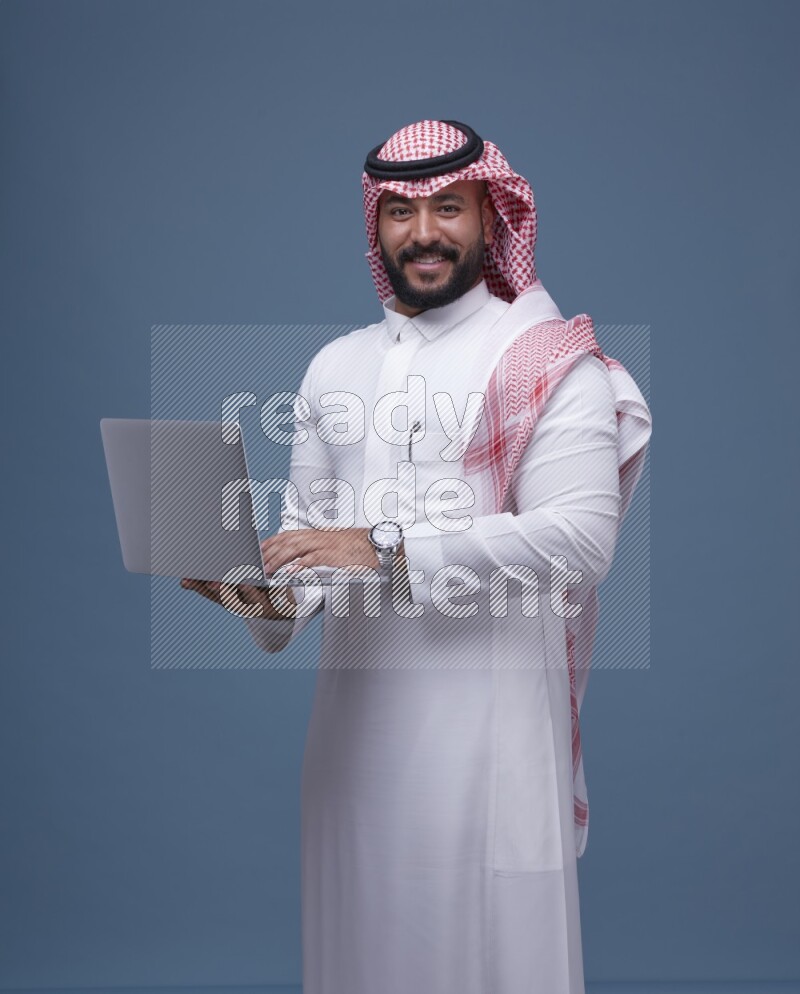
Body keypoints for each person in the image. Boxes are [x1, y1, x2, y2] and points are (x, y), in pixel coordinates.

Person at [182, 119, 652, 994]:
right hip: (354, 743)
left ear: (489, 215)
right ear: (375, 224)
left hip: (492, 737)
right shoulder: (336, 368)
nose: (423, 232)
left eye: (448, 207)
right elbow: (313, 554)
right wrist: (265, 599)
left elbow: (579, 543)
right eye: (400, 211)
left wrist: (386, 544)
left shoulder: (548, 363)